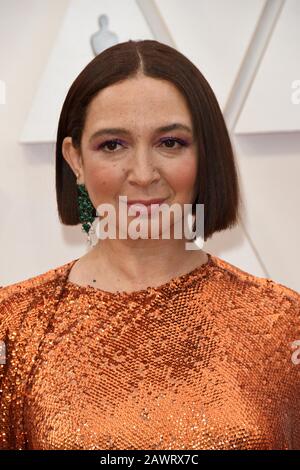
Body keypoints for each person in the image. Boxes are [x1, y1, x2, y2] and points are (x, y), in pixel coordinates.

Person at [0, 39, 299, 450]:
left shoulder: (282, 326)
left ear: (205, 154)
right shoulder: (12, 328)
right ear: (75, 161)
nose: (142, 173)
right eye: (113, 145)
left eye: (170, 142)